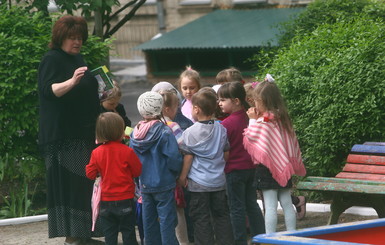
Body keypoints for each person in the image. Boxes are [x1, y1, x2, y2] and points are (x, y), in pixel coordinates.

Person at [37, 15, 102, 244]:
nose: (77, 42)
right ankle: (72, 238)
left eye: (80, 38)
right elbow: (48, 90)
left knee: (83, 184)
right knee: (70, 185)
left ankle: (83, 235)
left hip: (82, 133)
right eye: (72, 38)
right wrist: (72, 82)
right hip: (62, 136)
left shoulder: (79, 58)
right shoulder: (52, 59)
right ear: (61, 38)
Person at [243, 79, 307, 234]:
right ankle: (292, 234)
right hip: (283, 166)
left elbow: (251, 137)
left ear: (264, 101)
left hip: (266, 169)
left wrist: (252, 120)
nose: (255, 105)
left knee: (271, 206)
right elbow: (289, 143)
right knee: (286, 202)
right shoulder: (282, 118)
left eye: (257, 101)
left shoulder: (264, 121)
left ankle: (270, 238)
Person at [178, 89, 235, 245]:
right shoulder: (221, 129)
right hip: (218, 182)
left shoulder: (189, 132)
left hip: (198, 184)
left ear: (196, 109)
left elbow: (188, 157)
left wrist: (182, 177)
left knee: (201, 219)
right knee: (222, 216)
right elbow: (226, 153)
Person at [129, 91, 182, 245]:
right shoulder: (165, 131)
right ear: (160, 108)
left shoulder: (135, 133)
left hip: (144, 184)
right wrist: (175, 174)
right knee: (167, 221)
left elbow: (132, 160)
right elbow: (173, 158)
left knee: (149, 222)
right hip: (164, 182)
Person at [217, 82, 265, 244]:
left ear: (236, 100)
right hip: (251, 168)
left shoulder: (226, 124)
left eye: (223, 100)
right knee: (252, 204)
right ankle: (260, 237)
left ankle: (239, 241)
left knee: (236, 208)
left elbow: (223, 150)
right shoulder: (250, 118)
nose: (220, 103)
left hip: (234, 170)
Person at [86, 112, 142, 245]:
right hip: (125, 198)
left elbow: (90, 173)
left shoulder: (96, 152)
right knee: (128, 232)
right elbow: (137, 171)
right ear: (120, 131)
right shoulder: (127, 151)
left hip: (106, 199)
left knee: (110, 235)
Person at [158, 90, 189, 245]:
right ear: (168, 109)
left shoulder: (146, 126)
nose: (178, 110)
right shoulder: (174, 126)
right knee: (178, 210)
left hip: (154, 177)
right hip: (172, 176)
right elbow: (183, 147)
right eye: (177, 106)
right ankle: (183, 242)